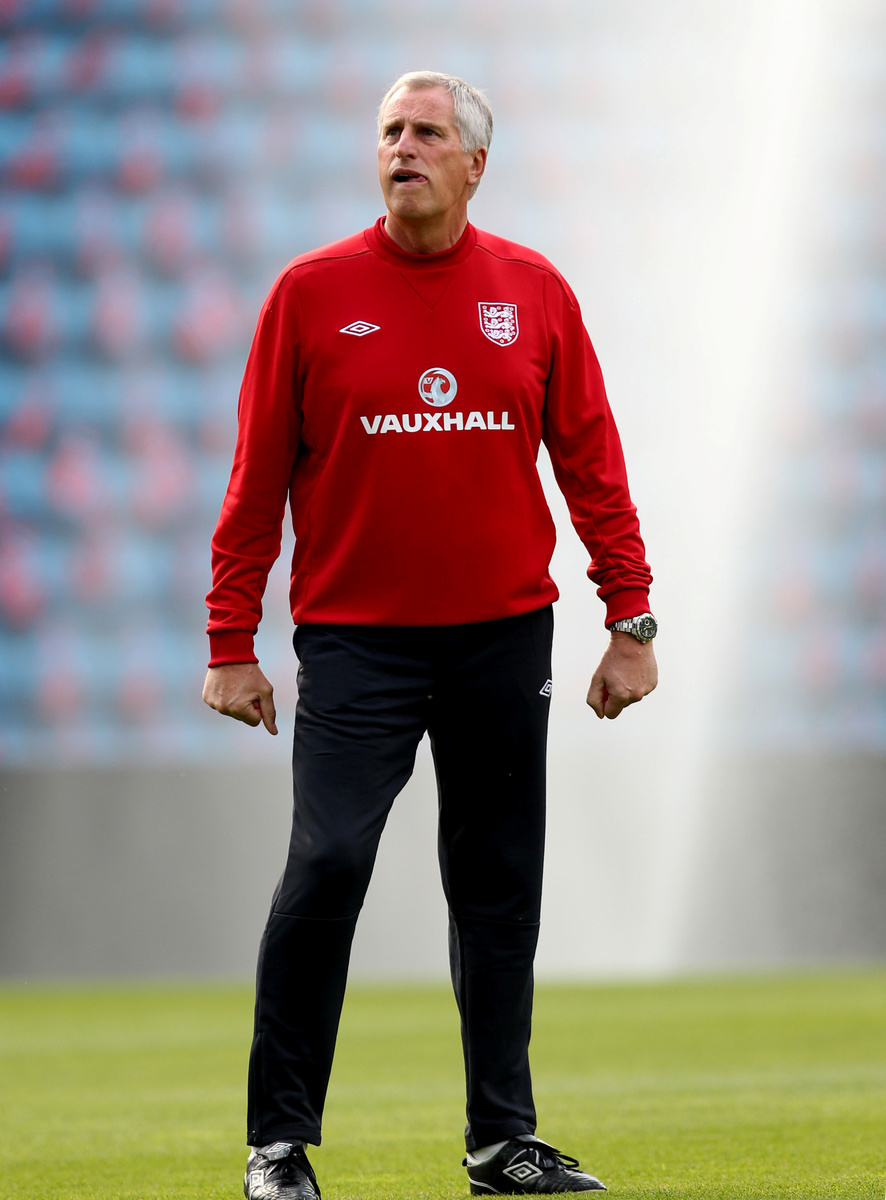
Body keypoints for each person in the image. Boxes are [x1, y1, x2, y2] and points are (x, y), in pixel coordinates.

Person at [203, 71, 657, 1200]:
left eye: (427, 133)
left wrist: (630, 617)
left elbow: (592, 463)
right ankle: (276, 1146)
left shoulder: (533, 291)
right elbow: (255, 482)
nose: (402, 147)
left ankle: (502, 1142)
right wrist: (229, 640)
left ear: (474, 165)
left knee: (497, 886)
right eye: (389, 132)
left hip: (503, 637)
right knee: (327, 863)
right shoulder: (309, 293)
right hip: (357, 643)